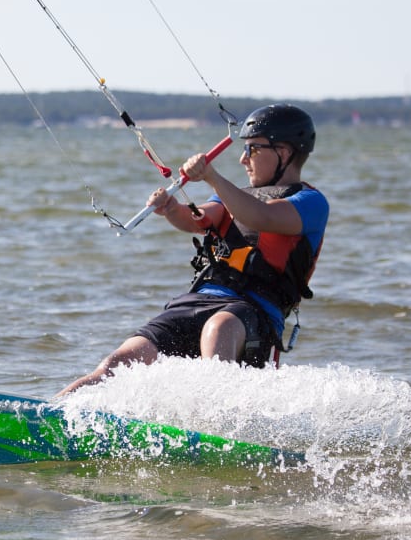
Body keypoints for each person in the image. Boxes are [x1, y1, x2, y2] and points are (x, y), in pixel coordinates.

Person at [57, 104, 329, 396]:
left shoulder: (310, 202)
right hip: (198, 301)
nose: (242, 159)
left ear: (284, 153)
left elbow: (262, 217)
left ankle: (214, 425)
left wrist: (212, 176)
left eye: (253, 149)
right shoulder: (233, 197)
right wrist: (171, 209)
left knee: (219, 328)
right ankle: (48, 413)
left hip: (255, 313)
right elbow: (198, 218)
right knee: (119, 362)